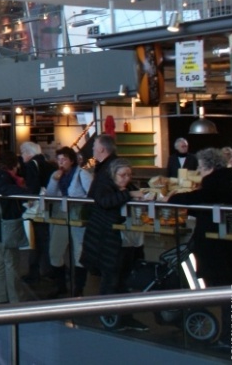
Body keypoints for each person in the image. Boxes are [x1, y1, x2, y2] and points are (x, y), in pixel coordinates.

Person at [165, 146, 232, 349]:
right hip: (229, 249)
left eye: (200, 167)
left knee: (229, 296)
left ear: (208, 167)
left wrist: (172, 198)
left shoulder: (215, 185)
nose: (198, 171)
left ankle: (231, 340)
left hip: (220, 251)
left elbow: (196, 199)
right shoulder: (229, 182)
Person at [82, 154, 149, 331]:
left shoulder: (127, 187)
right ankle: (109, 316)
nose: (126, 179)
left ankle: (125, 317)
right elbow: (105, 202)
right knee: (110, 278)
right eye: (123, 175)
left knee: (124, 279)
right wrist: (130, 194)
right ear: (113, 174)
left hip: (124, 241)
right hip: (105, 240)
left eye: (129, 175)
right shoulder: (104, 186)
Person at [0, 151, 32, 303]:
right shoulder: (6, 179)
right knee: (11, 263)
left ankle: (1, 297)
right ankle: (15, 298)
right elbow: (9, 192)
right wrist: (26, 192)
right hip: (6, 228)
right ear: (14, 165)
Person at [46, 147, 92, 297]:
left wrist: (78, 201)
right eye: (58, 160)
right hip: (61, 212)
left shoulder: (82, 175)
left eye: (64, 159)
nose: (61, 163)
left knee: (78, 250)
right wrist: (54, 180)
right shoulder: (56, 175)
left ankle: (78, 288)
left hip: (77, 213)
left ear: (71, 161)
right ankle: (61, 286)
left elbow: (91, 195)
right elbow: (50, 195)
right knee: (55, 250)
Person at [19, 142, 54, 284]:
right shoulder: (47, 162)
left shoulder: (32, 165)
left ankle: (35, 272)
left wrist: (29, 198)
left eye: (22, 153)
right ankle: (48, 268)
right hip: (47, 204)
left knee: (35, 239)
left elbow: (33, 185)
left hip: (36, 207)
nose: (22, 157)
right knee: (44, 239)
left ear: (28, 153)